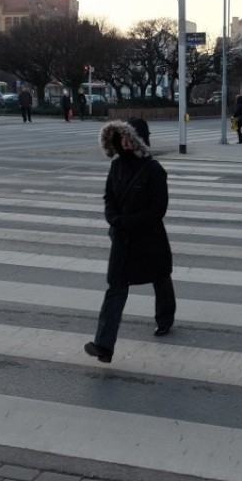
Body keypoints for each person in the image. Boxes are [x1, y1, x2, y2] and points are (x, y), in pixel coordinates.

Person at [84, 117, 177, 364]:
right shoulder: (116, 166)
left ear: (140, 140)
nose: (125, 142)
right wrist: (113, 219)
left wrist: (129, 222)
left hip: (148, 239)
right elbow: (109, 197)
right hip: (122, 240)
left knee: (160, 278)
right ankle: (104, 345)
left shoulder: (154, 170)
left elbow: (159, 209)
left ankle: (165, 319)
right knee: (115, 287)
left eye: (129, 137)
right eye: (122, 137)